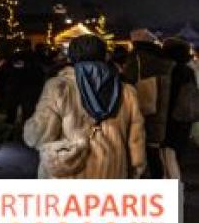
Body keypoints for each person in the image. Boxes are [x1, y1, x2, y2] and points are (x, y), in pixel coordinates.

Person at [23, 34, 146, 179]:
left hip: (71, 176)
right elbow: (136, 140)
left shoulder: (60, 87)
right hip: (112, 173)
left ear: (71, 57)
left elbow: (39, 135)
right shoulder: (127, 91)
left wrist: (29, 129)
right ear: (104, 55)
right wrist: (135, 170)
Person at [123, 28, 175, 178]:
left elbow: (128, 80)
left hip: (143, 106)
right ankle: (159, 180)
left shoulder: (136, 57)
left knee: (139, 146)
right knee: (155, 151)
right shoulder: (165, 58)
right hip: (163, 110)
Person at [162, 37, 196, 167]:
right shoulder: (187, 71)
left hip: (165, 117)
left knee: (165, 155)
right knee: (177, 154)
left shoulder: (164, 69)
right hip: (183, 117)